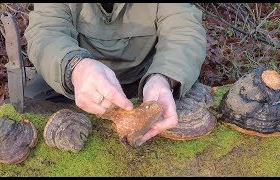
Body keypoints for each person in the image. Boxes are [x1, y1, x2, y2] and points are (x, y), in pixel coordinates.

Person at [24, 3, 207, 146]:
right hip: (79, 75)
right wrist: (75, 67)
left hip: (143, 76)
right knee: (32, 99)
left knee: (182, 94)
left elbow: (184, 29)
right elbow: (46, 31)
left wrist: (165, 77)